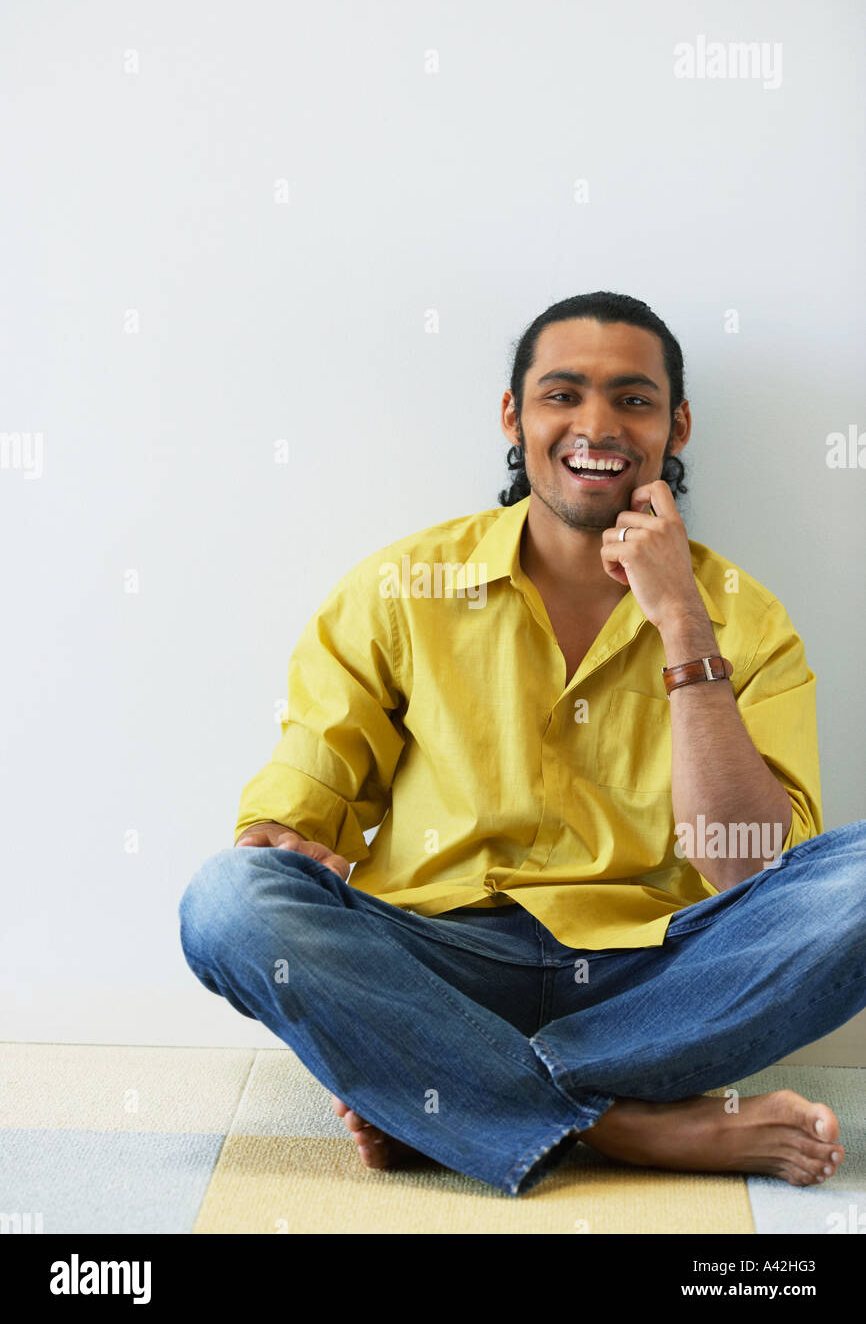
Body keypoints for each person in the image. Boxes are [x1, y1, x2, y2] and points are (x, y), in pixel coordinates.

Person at [178, 291, 865, 1197]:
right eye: (562, 393)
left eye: (633, 398)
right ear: (515, 415)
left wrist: (683, 626)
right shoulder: (403, 588)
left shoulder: (746, 616)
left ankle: (450, 1095)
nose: (597, 424)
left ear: (676, 425)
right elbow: (303, 798)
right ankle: (629, 1127)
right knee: (229, 901)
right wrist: (284, 834)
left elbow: (747, 869)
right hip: (440, 966)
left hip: (656, 981)